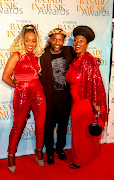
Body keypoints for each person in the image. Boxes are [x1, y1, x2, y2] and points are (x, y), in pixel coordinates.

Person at [2, 24, 46, 173]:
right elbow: (5, 77)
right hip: (22, 93)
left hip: (38, 92)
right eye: (28, 40)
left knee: (40, 124)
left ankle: (39, 150)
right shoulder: (16, 55)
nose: (30, 44)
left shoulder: (37, 55)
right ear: (22, 40)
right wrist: (18, 85)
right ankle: (11, 154)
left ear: (37, 42)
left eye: (33, 41)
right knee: (18, 125)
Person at [65, 25, 107, 168]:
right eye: (75, 40)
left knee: (80, 135)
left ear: (87, 45)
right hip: (75, 101)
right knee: (81, 134)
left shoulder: (88, 61)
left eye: (81, 41)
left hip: (83, 103)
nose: (77, 43)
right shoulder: (76, 59)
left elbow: (96, 83)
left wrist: (95, 104)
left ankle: (80, 160)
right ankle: (88, 156)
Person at [39, 28, 73, 165]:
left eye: (60, 39)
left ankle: (60, 149)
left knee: (63, 126)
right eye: (55, 39)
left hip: (65, 97)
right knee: (49, 127)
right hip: (49, 98)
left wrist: (94, 60)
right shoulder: (42, 54)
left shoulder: (69, 51)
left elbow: (82, 58)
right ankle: (50, 152)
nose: (57, 42)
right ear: (50, 40)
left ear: (63, 41)